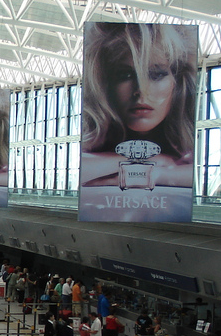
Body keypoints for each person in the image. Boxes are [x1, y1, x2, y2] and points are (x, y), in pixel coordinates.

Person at [79, 23, 198, 222]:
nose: (141, 90)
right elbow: (82, 174)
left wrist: (155, 175)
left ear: (177, 83)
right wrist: (147, 162)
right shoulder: (92, 138)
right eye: (125, 75)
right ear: (105, 83)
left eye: (156, 74)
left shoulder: (188, 147)